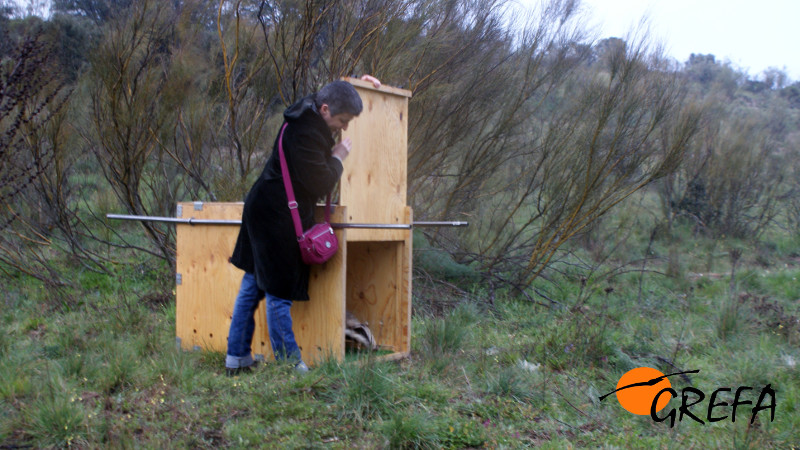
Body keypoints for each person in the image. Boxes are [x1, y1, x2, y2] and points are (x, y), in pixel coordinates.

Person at [225, 75, 381, 375]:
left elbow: (335, 90)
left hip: (264, 207)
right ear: (325, 109)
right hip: (276, 216)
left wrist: (361, 83)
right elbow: (319, 183)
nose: (344, 128)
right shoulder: (306, 133)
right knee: (278, 293)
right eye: (343, 120)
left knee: (253, 284)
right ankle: (290, 365)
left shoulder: (306, 113)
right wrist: (338, 158)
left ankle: (237, 357)